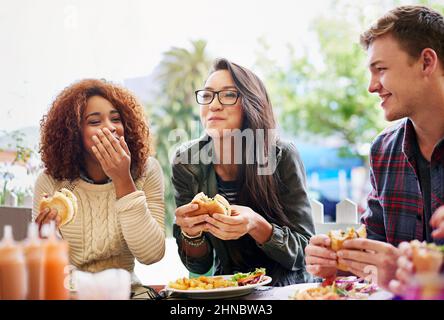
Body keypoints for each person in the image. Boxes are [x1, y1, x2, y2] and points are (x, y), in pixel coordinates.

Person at [304, 5, 444, 290]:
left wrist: (416, 275)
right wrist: (340, 261)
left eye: (380, 69)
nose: (371, 86)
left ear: (426, 62)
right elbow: (375, 250)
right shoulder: (384, 149)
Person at [171, 58, 315, 286]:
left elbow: (305, 252)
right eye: (207, 95)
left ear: (251, 103)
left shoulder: (281, 155)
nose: (213, 105)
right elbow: (198, 265)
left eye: (228, 95)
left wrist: (257, 226)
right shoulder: (186, 162)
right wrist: (190, 234)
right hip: (227, 289)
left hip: (286, 289)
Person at [33, 79, 165, 290]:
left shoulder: (147, 171)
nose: (110, 128)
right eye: (95, 122)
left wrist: (123, 180)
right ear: (74, 132)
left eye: (116, 119)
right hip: (73, 292)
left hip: (127, 291)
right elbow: (49, 267)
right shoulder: (50, 182)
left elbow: (152, 255)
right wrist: (46, 239)